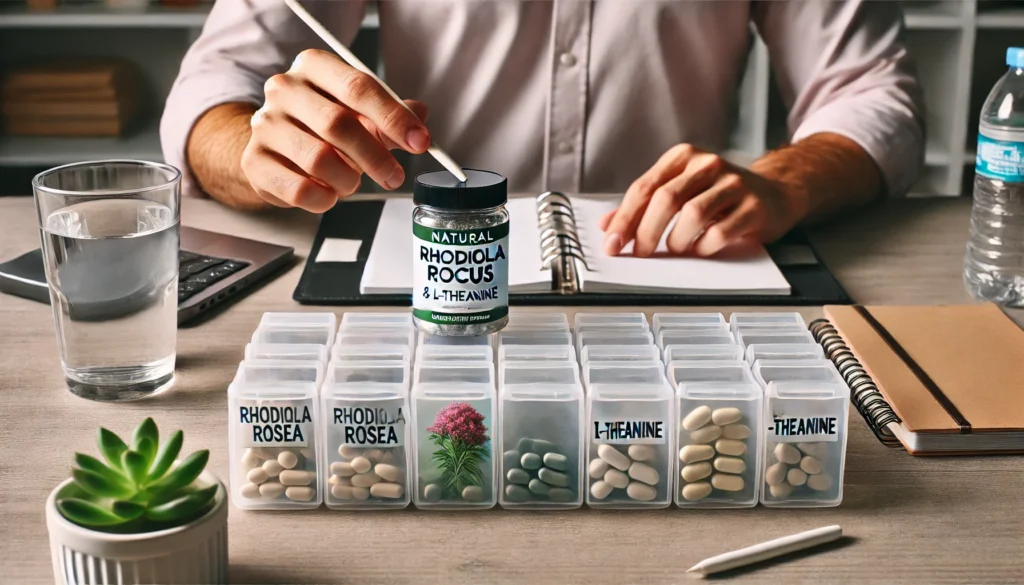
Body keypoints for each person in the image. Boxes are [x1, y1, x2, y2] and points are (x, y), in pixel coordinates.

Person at [161, 0, 924, 258]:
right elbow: (211, 91)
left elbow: (873, 90)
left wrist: (786, 178)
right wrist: (257, 150)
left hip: (672, 271)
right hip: (427, 274)